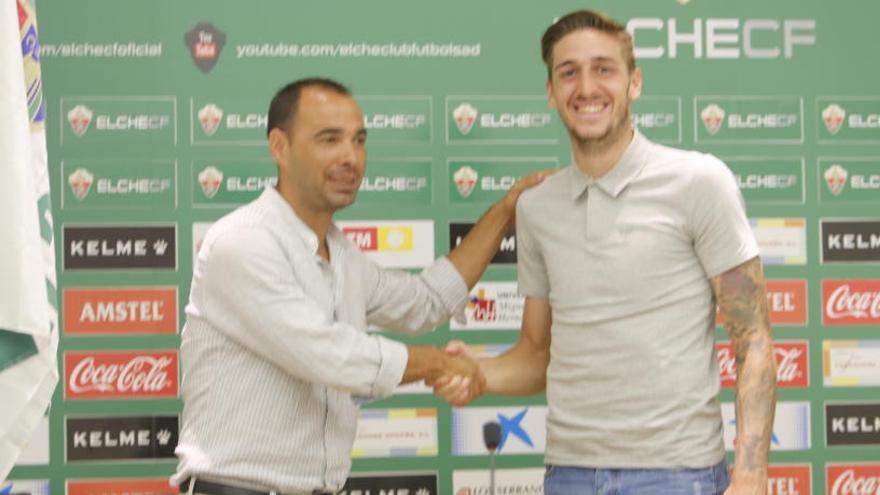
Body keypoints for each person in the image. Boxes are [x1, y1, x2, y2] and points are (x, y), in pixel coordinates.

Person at [436, 10, 777, 495]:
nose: (587, 87)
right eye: (568, 72)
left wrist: (751, 474)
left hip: (680, 476)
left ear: (634, 83)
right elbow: (537, 354)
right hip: (569, 474)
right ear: (552, 92)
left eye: (604, 69)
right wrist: (476, 371)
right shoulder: (537, 208)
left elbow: (754, 339)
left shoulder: (700, 182)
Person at [172, 78, 547, 495]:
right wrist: (441, 364)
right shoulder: (243, 241)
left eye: (359, 140)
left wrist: (505, 211)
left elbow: (427, 302)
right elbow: (328, 355)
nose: (351, 157)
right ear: (280, 147)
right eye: (329, 140)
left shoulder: (342, 254)